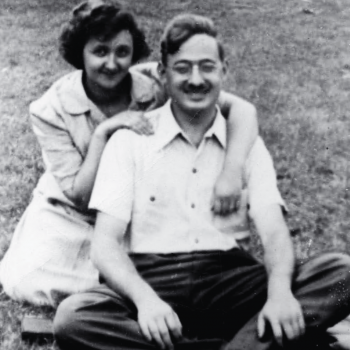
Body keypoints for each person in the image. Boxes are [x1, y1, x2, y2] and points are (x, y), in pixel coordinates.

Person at [53, 13, 350, 350]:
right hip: (153, 277)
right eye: (182, 68)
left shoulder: (244, 143)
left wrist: (280, 293)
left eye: (207, 67)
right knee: (75, 318)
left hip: (231, 281)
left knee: (341, 272)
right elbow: (105, 246)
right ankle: (249, 343)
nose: (196, 79)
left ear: (224, 70)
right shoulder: (130, 140)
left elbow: (273, 231)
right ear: (162, 74)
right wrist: (146, 301)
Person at [0, 0, 258, 307]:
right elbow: (79, 195)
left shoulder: (154, 80)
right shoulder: (49, 109)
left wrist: (231, 172)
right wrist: (103, 132)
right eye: (100, 51)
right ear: (79, 54)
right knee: (31, 279)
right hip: (72, 213)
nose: (112, 63)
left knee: (187, 261)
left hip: (139, 207)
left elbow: (242, 110)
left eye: (122, 52)